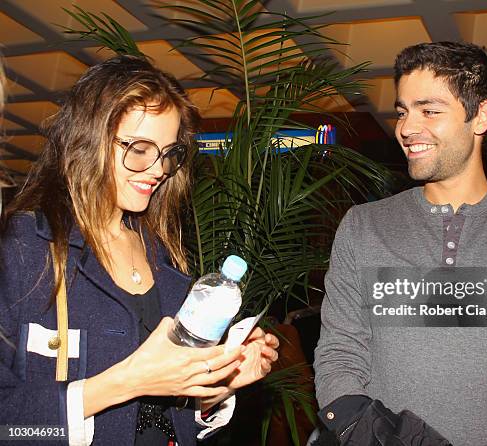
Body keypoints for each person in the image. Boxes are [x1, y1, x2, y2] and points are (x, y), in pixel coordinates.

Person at [314, 42, 487, 445]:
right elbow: (341, 351)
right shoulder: (363, 226)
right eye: (403, 111)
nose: (406, 127)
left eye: (430, 111)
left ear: (481, 115)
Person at [0, 55, 279, 445]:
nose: (158, 169)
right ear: (88, 139)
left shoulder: (167, 266)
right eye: (140, 148)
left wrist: (219, 386)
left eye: (168, 153)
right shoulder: (22, 250)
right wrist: (124, 383)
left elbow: (167, 411)